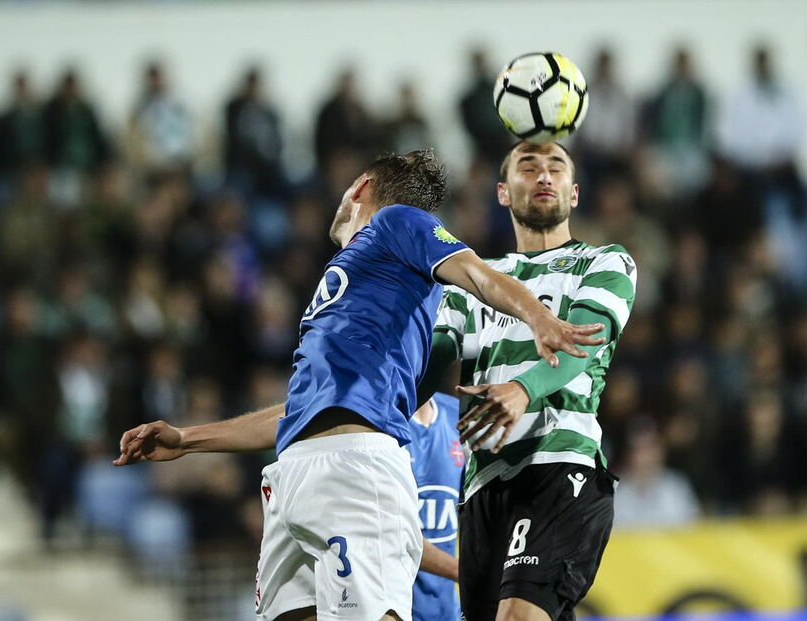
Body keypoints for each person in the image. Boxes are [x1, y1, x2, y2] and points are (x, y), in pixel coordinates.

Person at [115, 149, 604, 621]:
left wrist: (541, 318)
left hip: (355, 466)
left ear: (360, 188)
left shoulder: (395, 221)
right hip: (293, 474)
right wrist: (188, 440)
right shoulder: (355, 283)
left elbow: (475, 272)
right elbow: (300, 411)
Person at [418, 141, 637, 621]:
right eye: (528, 166)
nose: (543, 176)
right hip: (483, 486)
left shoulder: (604, 263)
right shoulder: (473, 281)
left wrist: (521, 391)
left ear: (574, 193)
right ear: (502, 192)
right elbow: (430, 362)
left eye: (556, 167)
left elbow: (581, 344)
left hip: (560, 466)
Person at [406, 393, 463, 621]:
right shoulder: (379, 417)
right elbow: (390, 532)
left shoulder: (457, 412)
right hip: (394, 606)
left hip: (446, 608)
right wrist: (468, 574)